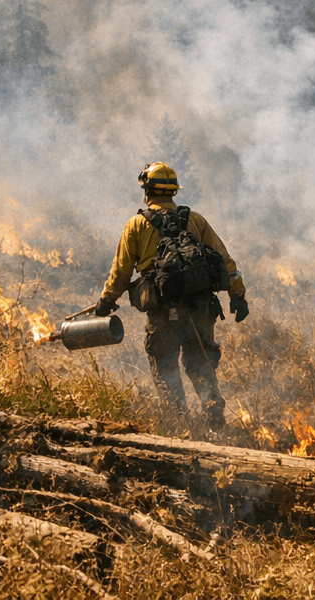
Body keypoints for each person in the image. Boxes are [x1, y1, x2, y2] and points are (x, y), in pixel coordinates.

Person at [94, 162, 247, 429]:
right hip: (201, 307)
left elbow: (121, 272)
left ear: (147, 191)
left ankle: (179, 423)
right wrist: (238, 296)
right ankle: (212, 407)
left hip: (162, 310)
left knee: (164, 365)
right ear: (174, 192)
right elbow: (225, 260)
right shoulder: (195, 220)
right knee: (200, 360)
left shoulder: (137, 224)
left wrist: (106, 301)